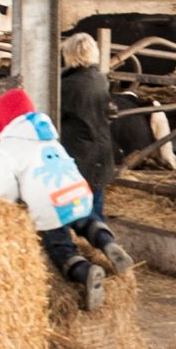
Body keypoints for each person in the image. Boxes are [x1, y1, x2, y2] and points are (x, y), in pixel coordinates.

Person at [0, 87, 120, 311]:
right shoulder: (50, 138)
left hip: (51, 205)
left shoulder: (8, 148)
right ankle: (106, 241)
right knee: (84, 220)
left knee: (59, 245)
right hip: (79, 194)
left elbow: (2, 191)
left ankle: (84, 271)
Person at [57, 33, 134, 259]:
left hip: (77, 157)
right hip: (101, 154)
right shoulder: (100, 79)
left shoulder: (66, 85)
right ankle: (105, 255)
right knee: (96, 211)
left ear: (68, 54)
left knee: (74, 213)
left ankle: (83, 258)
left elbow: (54, 116)